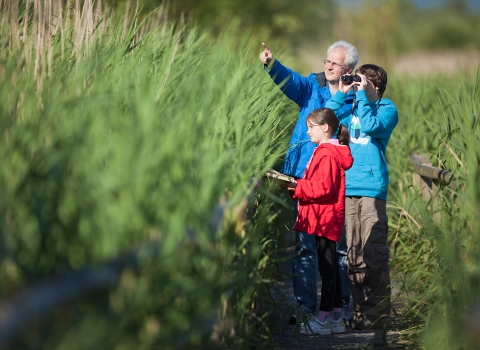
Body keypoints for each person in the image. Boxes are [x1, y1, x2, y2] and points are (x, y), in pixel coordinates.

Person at [259, 41, 359, 325]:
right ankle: (305, 307)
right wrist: (271, 64)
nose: (327, 66)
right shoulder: (311, 87)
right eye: (326, 60)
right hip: (304, 174)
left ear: (348, 69)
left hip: (336, 182)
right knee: (304, 245)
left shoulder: (355, 100)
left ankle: (339, 307)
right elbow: (290, 82)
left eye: (334, 63)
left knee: (336, 249)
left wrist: (356, 93)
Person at [326, 64, 398, 330]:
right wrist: (342, 93)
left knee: (373, 253)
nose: (357, 85)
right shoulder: (352, 107)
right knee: (354, 254)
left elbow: (369, 125)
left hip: (371, 189)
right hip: (348, 189)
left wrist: (361, 95)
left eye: (362, 81)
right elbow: (326, 122)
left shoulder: (386, 108)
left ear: (375, 86)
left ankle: (378, 314)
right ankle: (361, 314)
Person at [283, 108, 353, 335]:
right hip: (327, 216)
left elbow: (323, 187)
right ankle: (335, 318)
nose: (307, 131)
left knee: (327, 269)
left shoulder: (325, 153)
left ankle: (323, 320)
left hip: (324, 216)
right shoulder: (328, 151)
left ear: (325, 128)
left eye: (311, 127)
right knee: (330, 266)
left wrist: (296, 186)